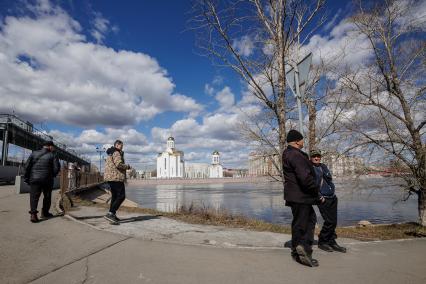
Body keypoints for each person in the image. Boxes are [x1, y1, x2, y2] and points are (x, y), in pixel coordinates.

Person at [282, 130, 323, 267]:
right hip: (301, 196)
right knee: (306, 223)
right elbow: (305, 178)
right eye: (302, 139)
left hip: (295, 196)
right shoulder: (296, 155)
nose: (303, 141)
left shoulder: (287, 153)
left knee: (300, 222)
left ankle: (297, 251)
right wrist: (316, 191)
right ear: (297, 141)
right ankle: (303, 250)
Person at [310, 149, 346, 253]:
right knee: (329, 221)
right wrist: (319, 196)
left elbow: (329, 180)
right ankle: (322, 241)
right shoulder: (310, 168)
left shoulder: (323, 166)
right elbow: (311, 185)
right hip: (323, 198)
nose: (316, 158)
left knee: (333, 222)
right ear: (311, 157)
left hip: (332, 197)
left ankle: (331, 241)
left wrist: (332, 189)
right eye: (314, 156)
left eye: (318, 156)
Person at [24, 140, 60, 223]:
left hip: (34, 178)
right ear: (50, 146)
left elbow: (27, 167)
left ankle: (33, 215)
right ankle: (45, 213)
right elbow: (56, 168)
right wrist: (52, 175)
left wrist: (26, 178)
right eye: (53, 147)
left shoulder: (34, 153)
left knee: (34, 197)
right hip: (47, 179)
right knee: (47, 197)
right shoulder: (53, 155)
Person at [103, 140, 131, 224]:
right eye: (121, 145)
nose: (122, 147)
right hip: (116, 177)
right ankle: (110, 213)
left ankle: (112, 214)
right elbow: (118, 164)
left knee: (115, 196)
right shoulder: (116, 152)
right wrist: (127, 166)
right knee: (121, 196)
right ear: (117, 145)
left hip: (110, 177)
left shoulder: (111, 153)